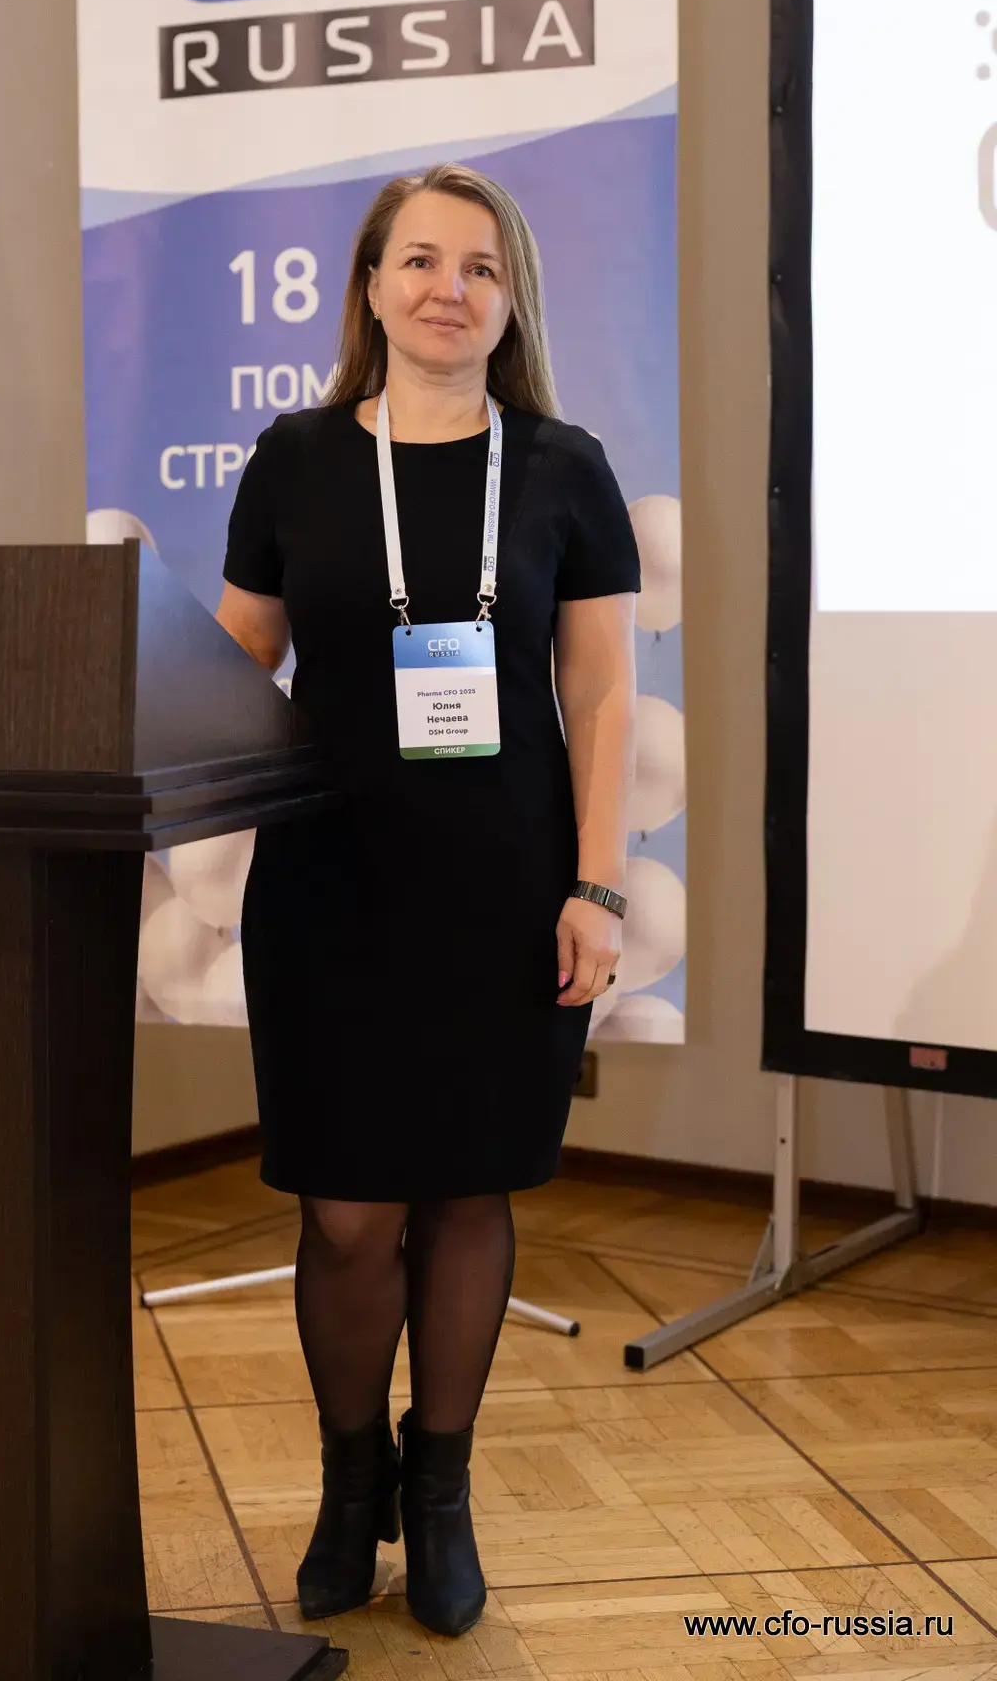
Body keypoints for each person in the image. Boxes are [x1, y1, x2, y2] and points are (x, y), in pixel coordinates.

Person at [217, 163, 638, 1638]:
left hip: (505, 889)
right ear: (372, 287)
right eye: (418, 261)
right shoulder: (296, 460)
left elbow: (601, 691)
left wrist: (597, 884)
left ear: (511, 300)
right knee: (346, 1213)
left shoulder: (566, 467)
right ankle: (354, 1486)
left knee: (466, 1190)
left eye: (479, 266)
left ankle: (440, 1489)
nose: (447, 287)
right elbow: (234, 660)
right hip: (328, 886)